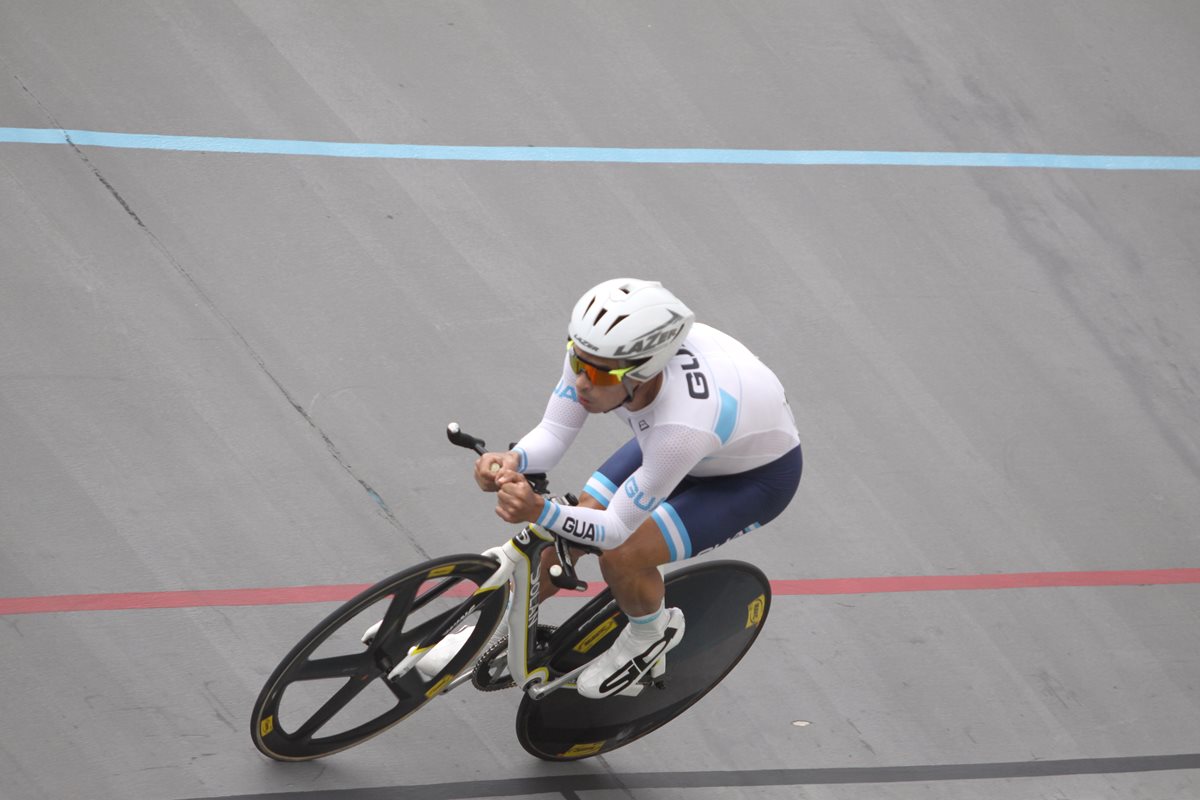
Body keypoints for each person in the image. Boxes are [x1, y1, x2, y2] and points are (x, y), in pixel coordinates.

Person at [472, 278, 803, 699]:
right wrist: (515, 459)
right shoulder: (603, 353)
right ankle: (476, 634)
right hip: (684, 446)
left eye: (593, 373)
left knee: (621, 556)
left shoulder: (682, 428)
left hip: (751, 480)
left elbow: (612, 531)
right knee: (565, 534)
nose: (580, 382)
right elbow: (555, 430)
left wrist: (539, 510)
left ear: (641, 373)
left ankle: (651, 635)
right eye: (575, 359)